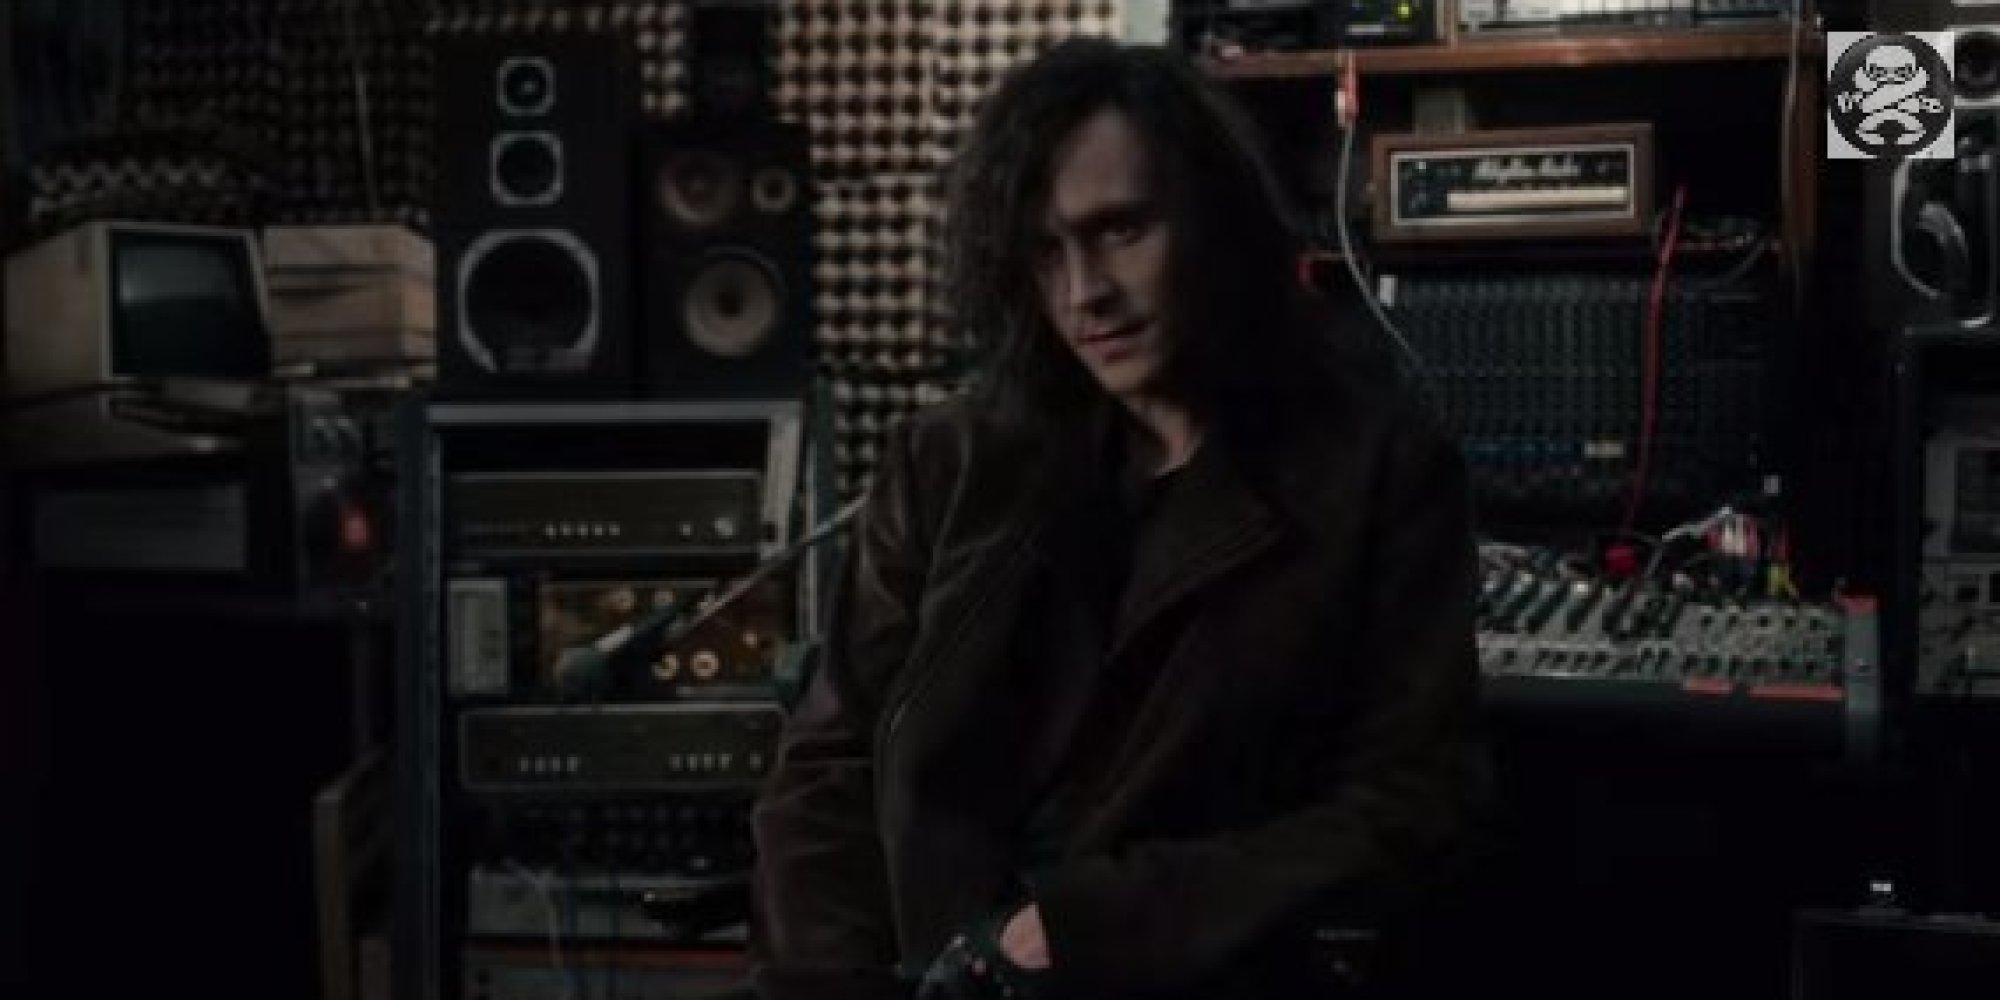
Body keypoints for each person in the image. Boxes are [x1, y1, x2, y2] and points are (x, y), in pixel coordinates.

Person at [749, 36, 1488, 1000]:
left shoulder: (1377, 473)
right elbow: (827, 770)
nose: (1084, 293)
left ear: (1214, 222)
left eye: (1121, 230)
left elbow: (1410, 809)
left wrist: (1091, 926)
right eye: (1046, 252)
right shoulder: (951, 460)